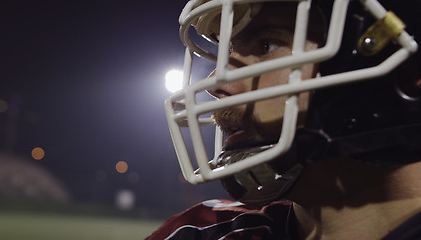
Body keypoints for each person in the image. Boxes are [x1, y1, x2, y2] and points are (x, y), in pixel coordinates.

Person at [147, 0, 421, 239]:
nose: (215, 85)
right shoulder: (199, 232)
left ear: (408, 74)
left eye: (267, 45)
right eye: (230, 49)